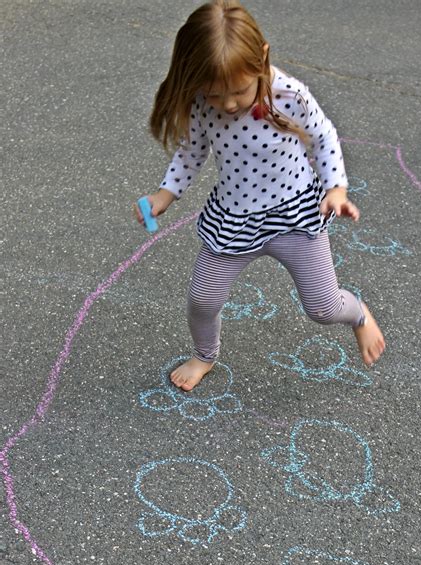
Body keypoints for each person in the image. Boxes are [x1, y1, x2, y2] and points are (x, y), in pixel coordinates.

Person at [134, 0, 385, 392]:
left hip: (296, 217)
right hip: (234, 219)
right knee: (202, 298)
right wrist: (166, 193)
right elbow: (191, 151)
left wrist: (336, 187)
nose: (229, 104)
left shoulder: (290, 95)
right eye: (215, 95)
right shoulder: (202, 102)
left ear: (261, 59)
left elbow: (323, 137)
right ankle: (205, 355)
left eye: (238, 90)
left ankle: (358, 316)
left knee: (323, 307)